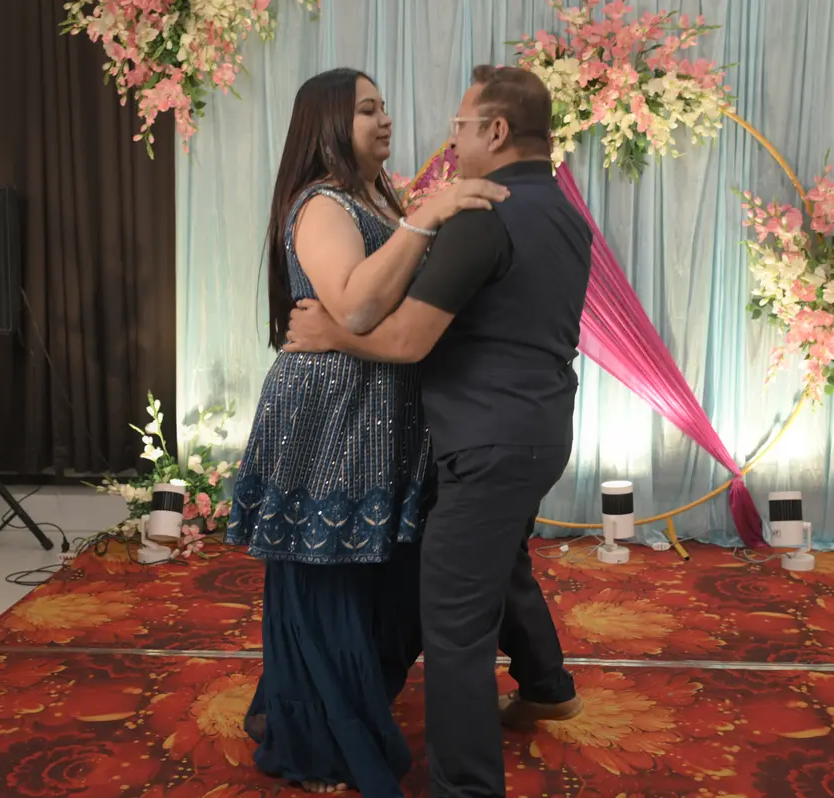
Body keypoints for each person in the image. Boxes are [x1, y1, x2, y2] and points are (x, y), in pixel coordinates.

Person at [285, 65, 591, 798]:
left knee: (454, 626)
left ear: (496, 131)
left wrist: (330, 333)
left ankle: (466, 787)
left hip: (486, 441)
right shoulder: (566, 212)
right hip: (544, 430)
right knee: (503, 563)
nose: (450, 142)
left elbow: (404, 340)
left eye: (460, 127)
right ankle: (547, 685)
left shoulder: (482, 214)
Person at [226, 67, 509, 796]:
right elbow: (354, 308)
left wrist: (422, 216)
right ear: (327, 125)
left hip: (379, 410)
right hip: (329, 413)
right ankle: (318, 742)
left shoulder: (377, 197)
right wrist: (430, 214)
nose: (384, 120)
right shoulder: (322, 203)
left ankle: (332, 708)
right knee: (328, 583)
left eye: (383, 107)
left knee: (386, 584)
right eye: (366, 111)